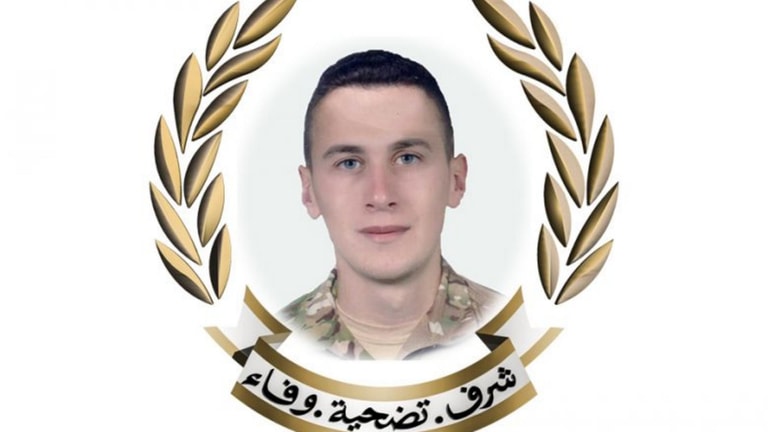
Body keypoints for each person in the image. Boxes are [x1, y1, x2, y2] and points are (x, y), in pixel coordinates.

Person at [279, 49, 504, 360]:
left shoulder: (517, 337)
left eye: (408, 158)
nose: (381, 196)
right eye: (349, 163)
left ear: (456, 181)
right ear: (309, 192)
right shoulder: (265, 353)